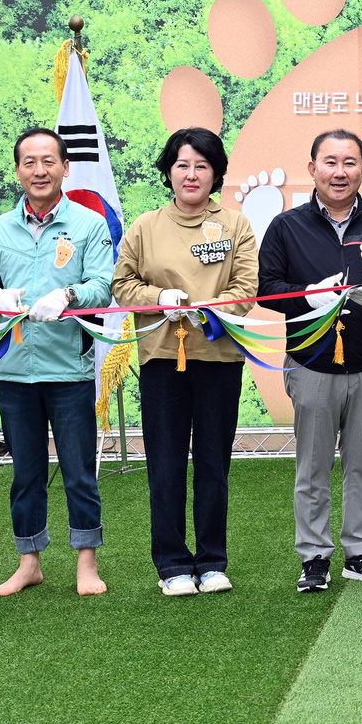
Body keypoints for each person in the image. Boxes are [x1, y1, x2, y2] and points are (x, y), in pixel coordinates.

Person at [259, 129, 362, 592]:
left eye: (350, 163)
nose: (339, 171)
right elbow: (268, 288)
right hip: (311, 363)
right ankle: (314, 557)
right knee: (312, 465)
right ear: (312, 169)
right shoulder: (287, 226)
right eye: (330, 162)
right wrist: (305, 297)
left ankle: (360, 552)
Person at [112, 126, 258, 597]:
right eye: (181, 165)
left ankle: (213, 560)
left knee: (214, 463)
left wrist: (207, 310)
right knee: (166, 463)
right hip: (160, 360)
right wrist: (160, 297)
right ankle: (173, 563)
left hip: (218, 357)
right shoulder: (144, 226)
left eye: (201, 165)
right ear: (168, 172)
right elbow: (122, 285)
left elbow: (247, 287)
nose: (191, 174)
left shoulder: (236, 224)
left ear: (215, 173)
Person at [0, 127, 119, 597]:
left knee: (78, 471)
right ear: (17, 170)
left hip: (69, 371)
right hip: (14, 370)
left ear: (64, 168)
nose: (39, 170)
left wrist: (70, 294)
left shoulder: (88, 224)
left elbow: (103, 284)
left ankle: (87, 563)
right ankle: (29, 561)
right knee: (26, 474)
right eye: (29, 162)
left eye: (48, 161)